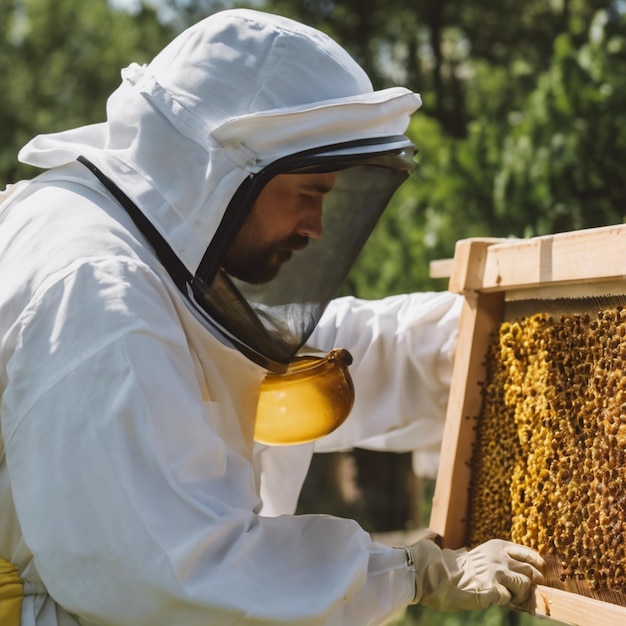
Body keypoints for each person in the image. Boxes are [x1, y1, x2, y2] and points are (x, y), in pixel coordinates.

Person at [0, 8, 544, 626]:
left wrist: (498, 344)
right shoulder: (98, 292)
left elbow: (309, 352)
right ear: (228, 170)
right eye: (309, 194)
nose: (315, 227)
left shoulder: (140, 252)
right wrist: (408, 574)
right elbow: (176, 577)